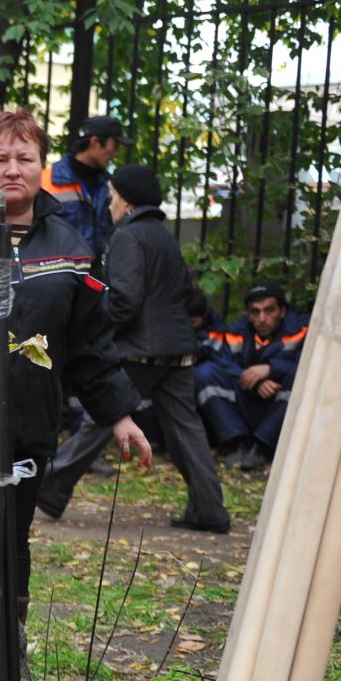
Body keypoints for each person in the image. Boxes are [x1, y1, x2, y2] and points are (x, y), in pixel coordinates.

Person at [0, 109, 153, 606]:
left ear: (41, 165)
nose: (13, 169)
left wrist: (119, 415)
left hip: (27, 428)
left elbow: (88, 343)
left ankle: (8, 660)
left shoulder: (72, 247)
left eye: (25, 158)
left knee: (10, 551)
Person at [37, 165, 229, 532]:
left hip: (142, 350)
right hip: (177, 348)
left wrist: (91, 326)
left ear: (125, 200)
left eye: (111, 195)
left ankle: (48, 488)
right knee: (186, 430)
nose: (108, 202)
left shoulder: (127, 237)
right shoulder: (161, 235)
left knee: (101, 416)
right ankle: (210, 509)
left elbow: (124, 300)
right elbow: (185, 295)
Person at [196, 282, 306, 471]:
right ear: (248, 314)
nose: (262, 318)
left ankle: (263, 447)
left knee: (301, 378)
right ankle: (235, 442)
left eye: (269, 310)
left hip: (278, 407)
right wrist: (255, 380)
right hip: (246, 402)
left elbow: (310, 367)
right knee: (205, 372)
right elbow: (222, 361)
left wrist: (271, 369)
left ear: (282, 311)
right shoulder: (237, 332)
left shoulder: (302, 331)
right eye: (255, 312)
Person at [41, 115, 130, 262]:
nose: (116, 153)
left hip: (99, 275)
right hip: (59, 275)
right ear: (95, 142)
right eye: (115, 145)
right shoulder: (46, 180)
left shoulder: (112, 186)